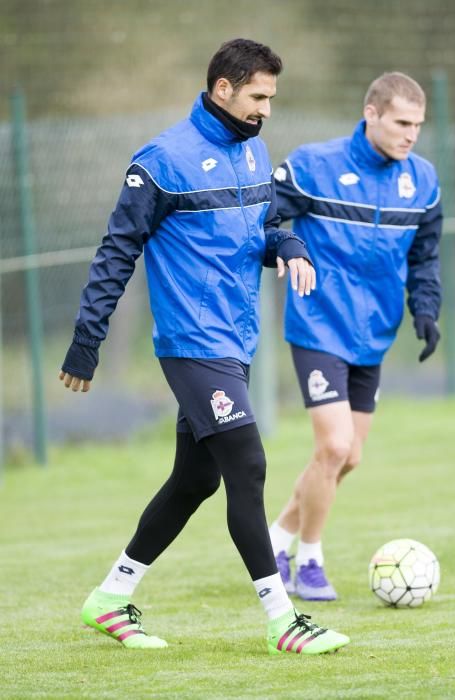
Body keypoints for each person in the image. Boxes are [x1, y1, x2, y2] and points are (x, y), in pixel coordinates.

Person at [59, 38, 349, 655]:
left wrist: (290, 246)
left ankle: (109, 599)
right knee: (248, 465)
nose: (267, 108)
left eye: (272, 97)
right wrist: (88, 339)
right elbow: (117, 251)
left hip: (235, 342)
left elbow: (263, 231)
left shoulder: (254, 152)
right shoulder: (162, 160)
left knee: (195, 481)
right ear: (224, 88)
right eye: (258, 96)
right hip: (192, 344)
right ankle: (282, 621)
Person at [269, 72, 443, 601]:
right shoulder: (313, 166)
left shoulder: (424, 181)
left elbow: (425, 256)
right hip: (319, 325)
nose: (410, 134)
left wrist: (426, 310)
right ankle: (309, 563)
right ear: (371, 114)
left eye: (417, 124)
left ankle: (274, 539)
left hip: (374, 334)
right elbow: (268, 215)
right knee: (334, 445)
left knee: (349, 458)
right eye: (401, 122)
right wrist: (287, 247)